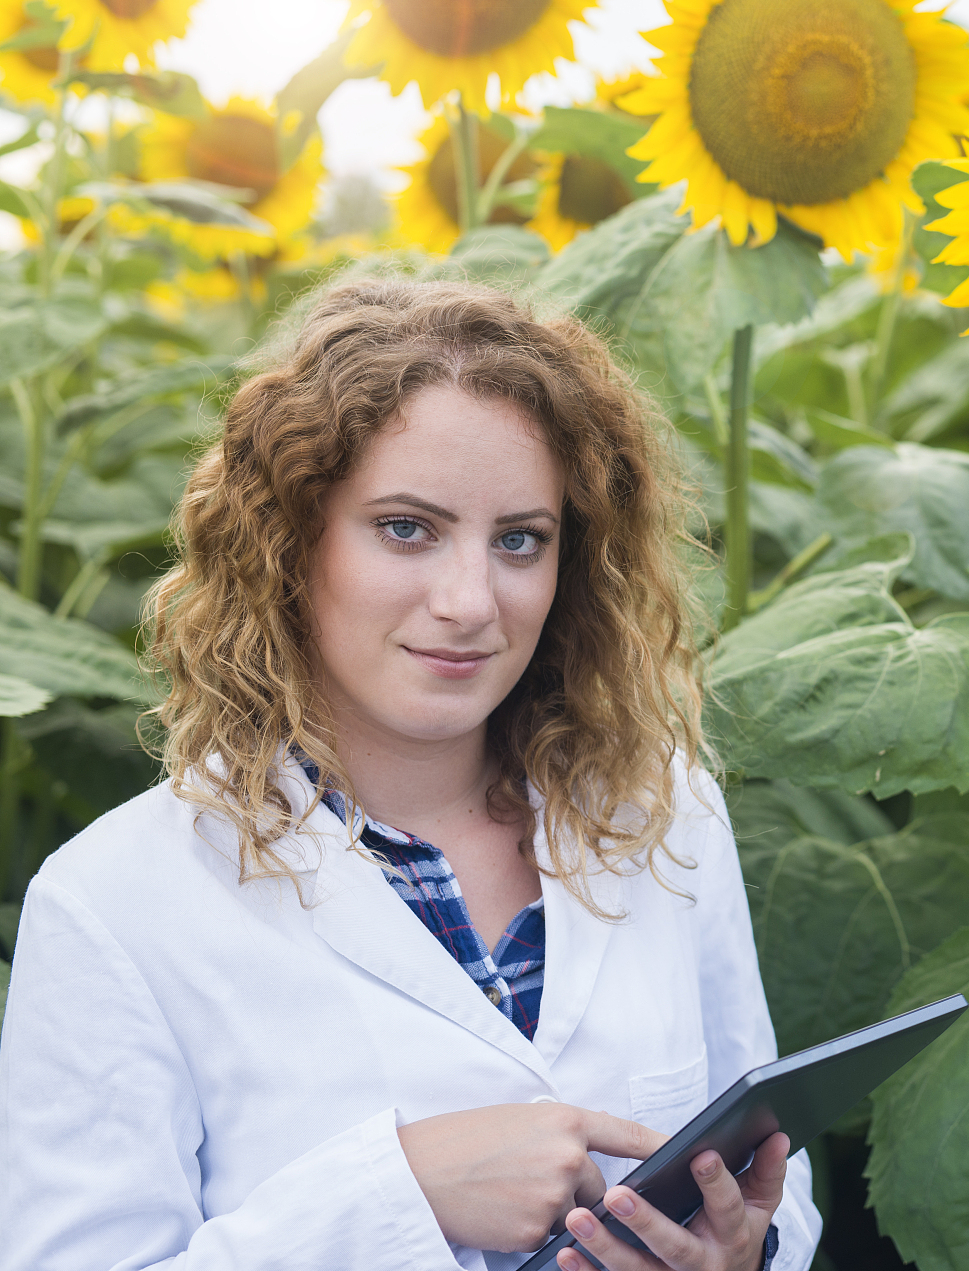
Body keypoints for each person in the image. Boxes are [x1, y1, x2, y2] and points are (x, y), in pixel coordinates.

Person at [0, 278, 819, 1271]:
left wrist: (748, 1248)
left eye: (520, 539)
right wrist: (401, 1191)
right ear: (288, 540)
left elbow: (774, 1161)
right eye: (406, 527)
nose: (471, 599)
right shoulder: (113, 904)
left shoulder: (664, 812)